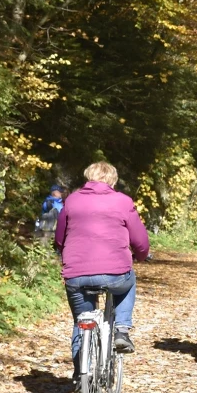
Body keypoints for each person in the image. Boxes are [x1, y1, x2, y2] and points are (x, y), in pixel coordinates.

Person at [54, 162, 149, 378]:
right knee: (129, 280)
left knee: (81, 321)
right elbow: (140, 240)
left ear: (88, 177)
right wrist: (141, 255)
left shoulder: (72, 200)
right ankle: (122, 330)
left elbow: (60, 238)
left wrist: (64, 253)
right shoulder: (122, 201)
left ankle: (81, 375)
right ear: (112, 180)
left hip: (76, 275)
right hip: (115, 274)